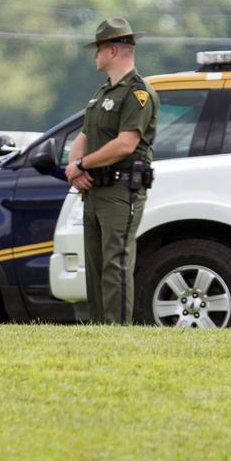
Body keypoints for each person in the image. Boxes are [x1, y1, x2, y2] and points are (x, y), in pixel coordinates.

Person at [64, 18, 158, 325]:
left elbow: (125, 145)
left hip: (121, 190)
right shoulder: (103, 93)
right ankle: (99, 327)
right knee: (95, 264)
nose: (95, 55)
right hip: (94, 189)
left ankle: (117, 330)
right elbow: (84, 137)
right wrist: (74, 168)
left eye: (99, 49)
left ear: (114, 51)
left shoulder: (137, 94)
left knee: (115, 263)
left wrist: (81, 165)